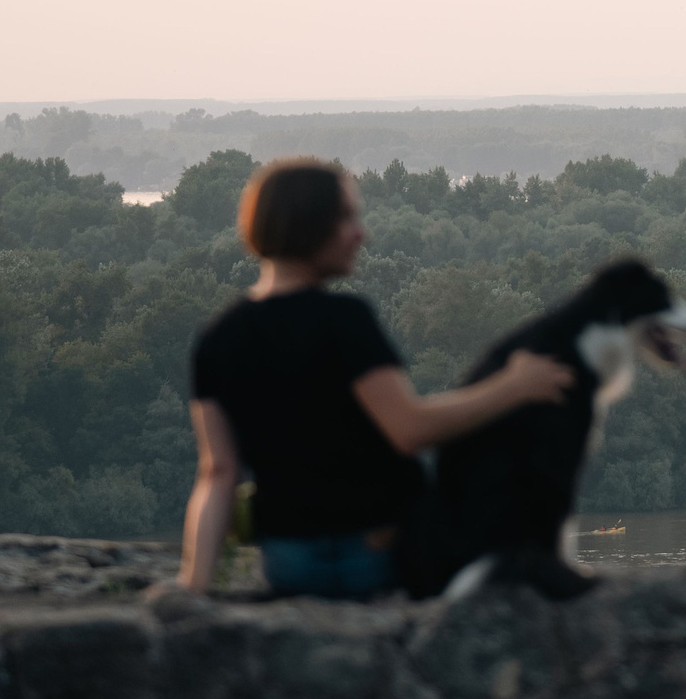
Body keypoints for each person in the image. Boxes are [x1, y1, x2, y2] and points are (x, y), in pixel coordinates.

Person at [173, 157, 574, 598]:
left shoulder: (217, 338)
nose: (360, 234)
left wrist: (193, 587)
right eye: (345, 218)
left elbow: (217, 472)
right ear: (308, 225)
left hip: (290, 562)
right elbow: (410, 429)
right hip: (377, 551)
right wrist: (513, 387)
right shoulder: (343, 320)